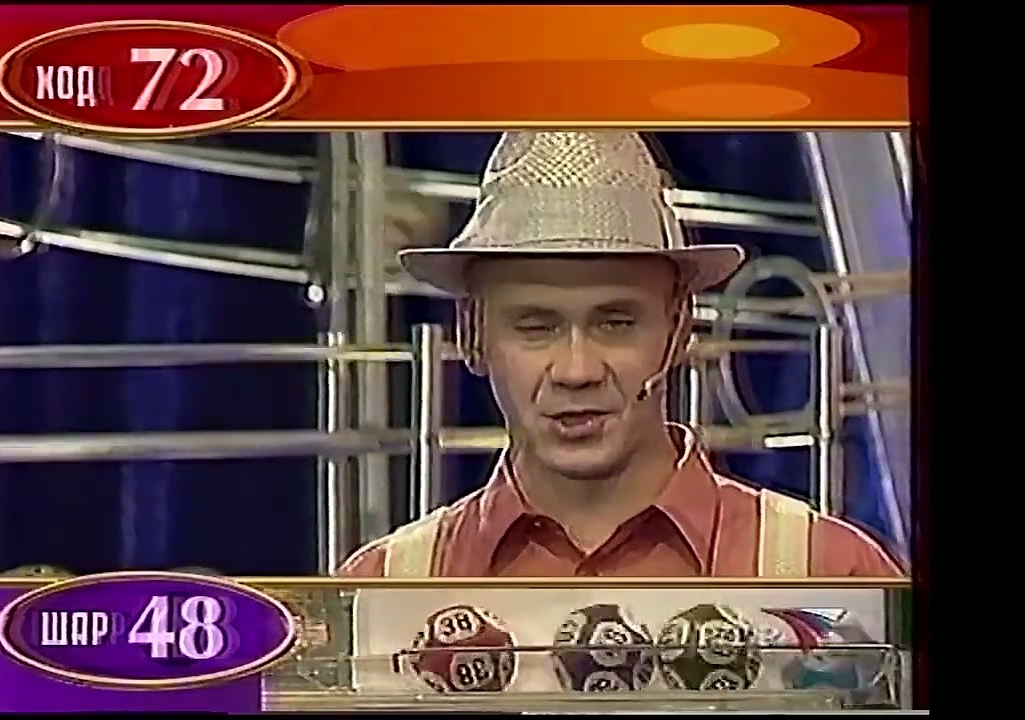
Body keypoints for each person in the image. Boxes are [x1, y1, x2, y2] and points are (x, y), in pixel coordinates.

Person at [339, 131, 904, 578]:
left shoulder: (827, 571)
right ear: (471, 335)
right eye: (536, 327)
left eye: (616, 323)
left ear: (678, 328)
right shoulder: (382, 587)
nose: (577, 371)